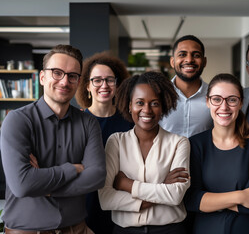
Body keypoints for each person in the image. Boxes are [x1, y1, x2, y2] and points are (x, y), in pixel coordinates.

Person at [0, 44, 106, 233]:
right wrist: (72, 169)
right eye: (57, 73)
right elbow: (22, 185)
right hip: (27, 230)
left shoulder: (88, 122)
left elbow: (96, 177)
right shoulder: (17, 120)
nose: (64, 82)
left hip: (76, 229)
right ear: (42, 77)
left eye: (72, 76)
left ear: (78, 81)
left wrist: (45, 187)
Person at [99, 71, 190, 234]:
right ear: (129, 106)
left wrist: (127, 185)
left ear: (163, 106)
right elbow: (106, 199)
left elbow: (175, 196)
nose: (146, 110)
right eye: (139, 103)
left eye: (154, 103)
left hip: (170, 230)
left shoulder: (179, 143)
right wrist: (162, 189)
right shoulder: (116, 142)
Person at [185, 73, 249, 234]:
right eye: (217, 99)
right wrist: (241, 197)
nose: (224, 107)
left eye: (231, 99)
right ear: (207, 102)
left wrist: (209, 201)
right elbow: (191, 200)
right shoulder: (195, 144)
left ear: (241, 103)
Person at [76, 52, 133, 234]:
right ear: (87, 85)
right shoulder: (77, 121)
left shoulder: (130, 122)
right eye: (97, 80)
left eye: (110, 79)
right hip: (85, 205)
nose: (104, 85)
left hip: (122, 206)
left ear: (118, 85)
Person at [159, 34, 213, 138]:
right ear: (172, 62)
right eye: (182, 55)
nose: (189, 60)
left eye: (196, 55)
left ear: (204, 62)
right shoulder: (158, 94)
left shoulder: (215, 96)